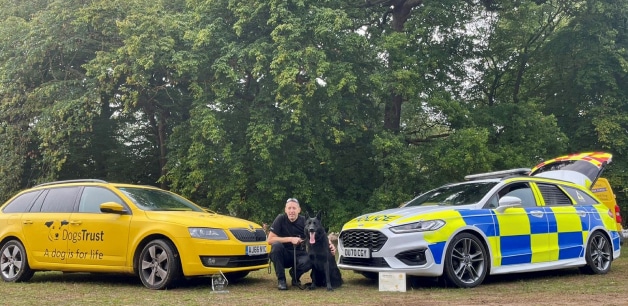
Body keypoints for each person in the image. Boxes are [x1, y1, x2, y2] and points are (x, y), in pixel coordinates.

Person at [267, 198, 335, 290]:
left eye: (294, 208)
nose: (291, 211)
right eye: (289, 208)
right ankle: (281, 280)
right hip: (284, 255)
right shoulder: (280, 219)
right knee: (276, 246)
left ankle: (295, 276)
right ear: (285, 209)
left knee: (310, 259)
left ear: (299, 210)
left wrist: (330, 244)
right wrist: (291, 239)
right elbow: (270, 240)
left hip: (300, 254)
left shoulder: (306, 221)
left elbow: (320, 231)